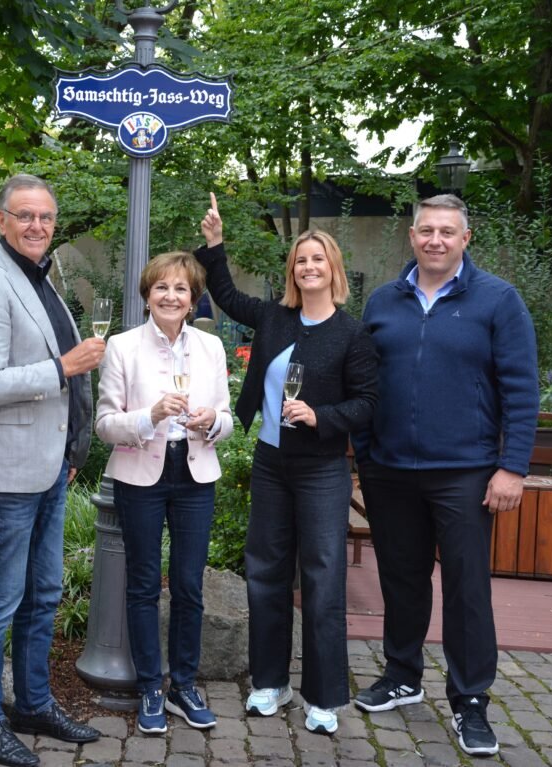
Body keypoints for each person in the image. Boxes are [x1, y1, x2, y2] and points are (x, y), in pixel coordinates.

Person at [352, 194, 539, 758]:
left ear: (465, 238)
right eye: (426, 230)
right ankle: (403, 674)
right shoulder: (383, 302)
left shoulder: (498, 301)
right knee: (401, 580)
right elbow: (363, 383)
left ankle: (470, 700)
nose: (436, 240)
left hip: (465, 471)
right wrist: (365, 454)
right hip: (388, 470)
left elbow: (521, 390)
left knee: (466, 588)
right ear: (411, 236)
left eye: (447, 231)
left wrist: (513, 467)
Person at [195, 195, 378, 735]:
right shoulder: (275, 317)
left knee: (322, 581)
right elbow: (225, 295)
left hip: (322, 469)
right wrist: (214, 244)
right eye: (301, 260)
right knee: (266, 575)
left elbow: (368, 403)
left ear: (333, 269)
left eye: (318, 259)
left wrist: (319, 415)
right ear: (293, 271)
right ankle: (269, 683)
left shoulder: (352, 333)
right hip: (272, 464)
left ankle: (324, 696)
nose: (309, 266)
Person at [0, 175, 105, 767]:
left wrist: (70, 452)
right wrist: (64, 365)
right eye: (25, 216)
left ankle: (34, 703)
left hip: (48, 469)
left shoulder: (40, 279)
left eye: (45, 216)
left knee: (42, 595)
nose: (37, 226)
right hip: (6, 475)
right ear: (1, 221)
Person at [95, 251, 234, 734]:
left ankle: (184, 686)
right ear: (147, 295)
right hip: (141, 475)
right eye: (161, 288)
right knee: (143, 585)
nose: (171, 296)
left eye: (180, 289)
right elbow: (104, 425)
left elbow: (228, 417)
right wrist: (149, 417)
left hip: (195, 474)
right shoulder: (122, 346)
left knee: (190, 586)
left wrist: (212, 421)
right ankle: (151, 687)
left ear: (193, 298)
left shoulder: (211, 348)